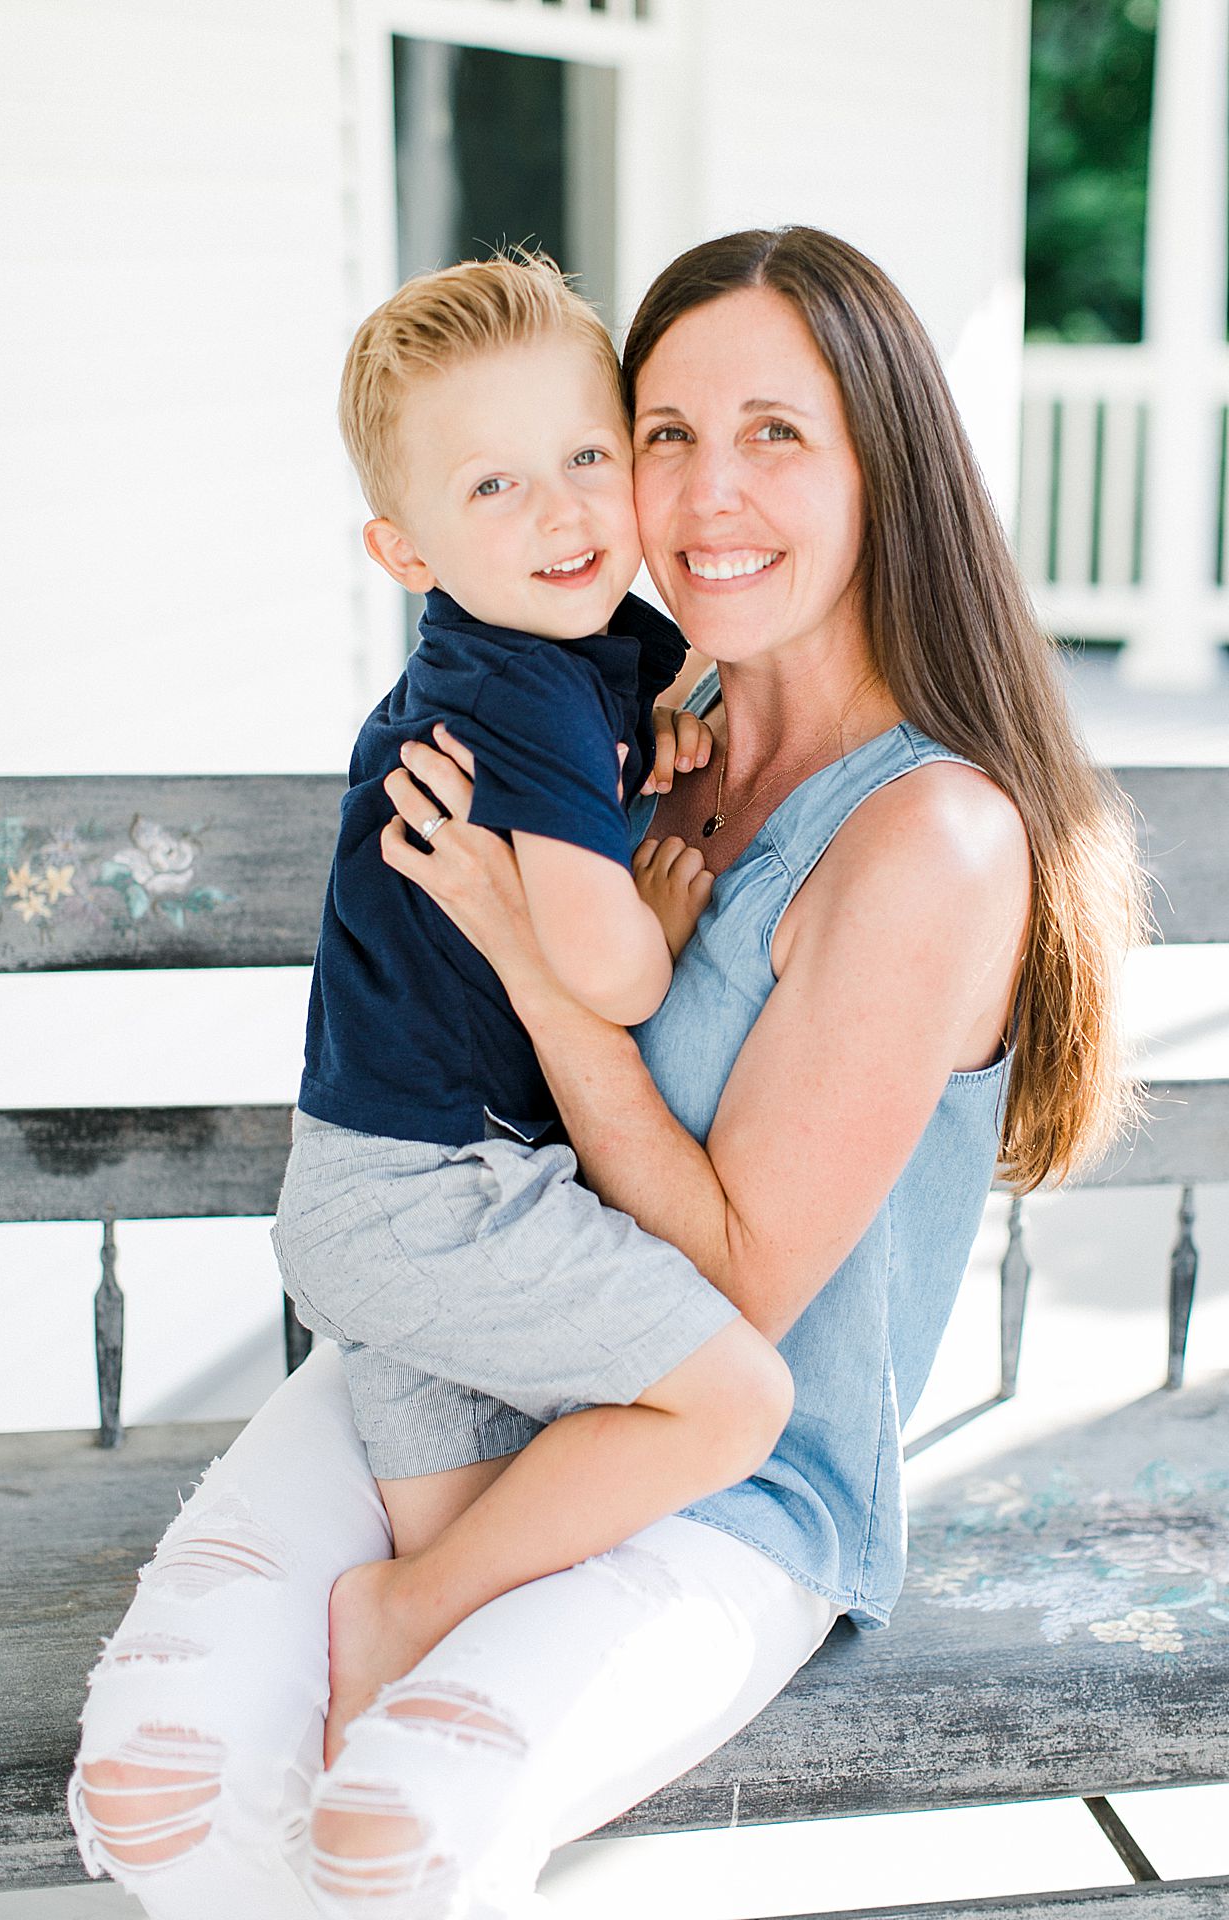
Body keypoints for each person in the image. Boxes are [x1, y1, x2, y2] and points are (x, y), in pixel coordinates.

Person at [67, 226, 1141, 1920]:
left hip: (729, 1477)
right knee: (155, 1782)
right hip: (481, 1329)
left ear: (888, 465)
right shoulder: (635, 708)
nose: (708, 493)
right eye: (664, 433)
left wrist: (529, 955)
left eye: (776, 434)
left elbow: (732, 1283)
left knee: (398, 1830)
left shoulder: (927, 837)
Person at [270, 250, 793, 1763]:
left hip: (377, 1186)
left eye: (584, 456)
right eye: (494, 489)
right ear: (405, 550)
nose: (565, 512)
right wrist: (656, 899)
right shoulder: (515, 690)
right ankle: (395, 1618)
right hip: (444, 1199)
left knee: (479, 1591)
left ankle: (378, 1782)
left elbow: (634, 739)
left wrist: (659, 747)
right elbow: (604, 968)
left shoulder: (586, 655)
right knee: (732, 1403)